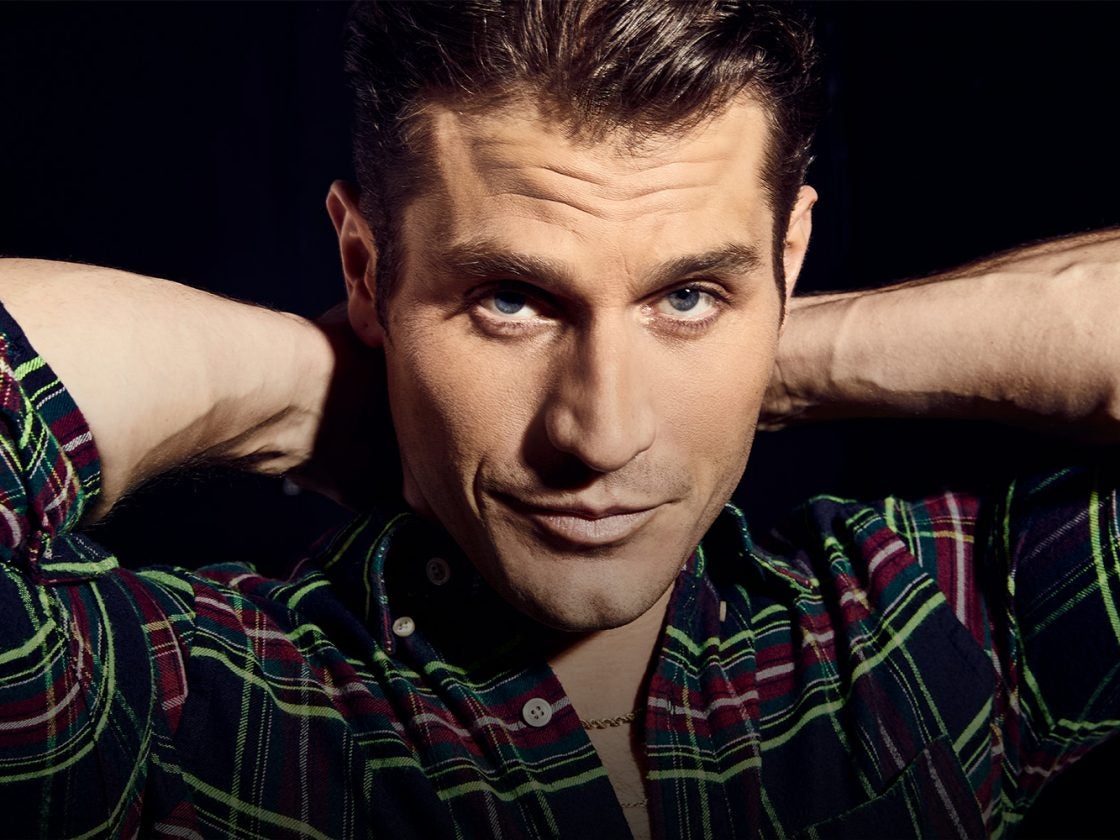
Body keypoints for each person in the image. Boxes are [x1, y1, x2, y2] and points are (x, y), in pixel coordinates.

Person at [0, 2, 1118, 838]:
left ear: (789, 263)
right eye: (510, 299)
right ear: (366, 268)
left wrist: (788, 351)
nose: (602, 433)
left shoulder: (928, 623)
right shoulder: (183, 710)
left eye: (691, 294)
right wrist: (313, 387)